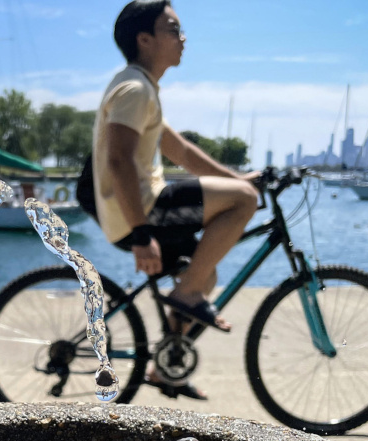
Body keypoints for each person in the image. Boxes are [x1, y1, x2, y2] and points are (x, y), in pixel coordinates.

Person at [92, 0, 259, 399]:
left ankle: (164, 370)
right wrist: (141, 231)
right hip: (141, 211)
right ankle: (183, 297)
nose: (183, 39)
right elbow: (118, 159)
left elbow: (181, 151)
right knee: (245, 202)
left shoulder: (141, 86)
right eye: (173, 29)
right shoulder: (134, 89)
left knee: (205, 275)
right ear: (144, 39)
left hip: (137, 210)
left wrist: (236, 177)